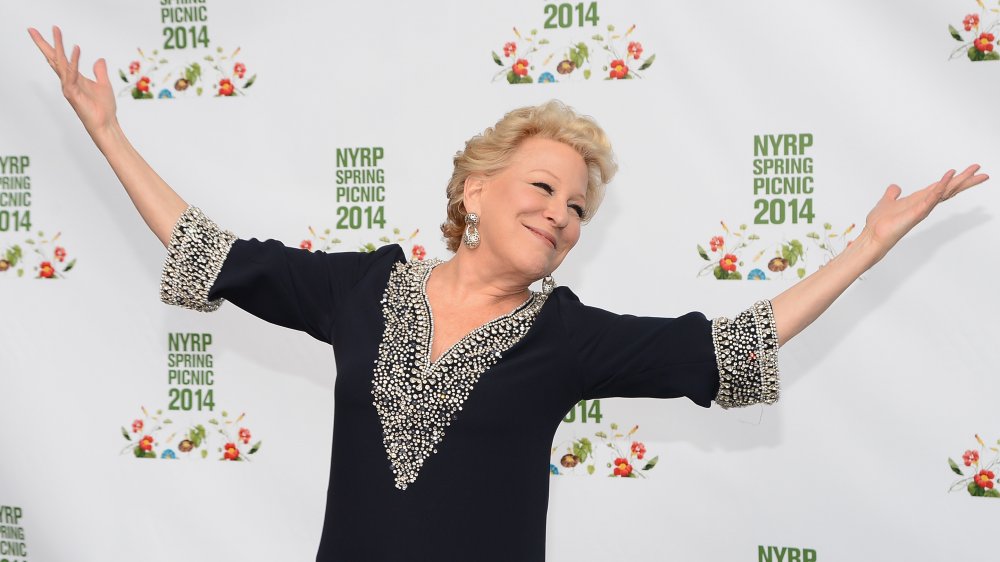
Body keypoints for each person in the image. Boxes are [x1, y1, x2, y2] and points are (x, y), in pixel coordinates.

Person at [28, 25, 989, 561]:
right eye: (544, 188)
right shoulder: (360, 288)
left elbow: (728, 345)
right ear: (473, 192)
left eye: (578, 207)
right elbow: (212, 253)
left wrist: (863, 247)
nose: (563, 214)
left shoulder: (565, 339)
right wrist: (109, 134)